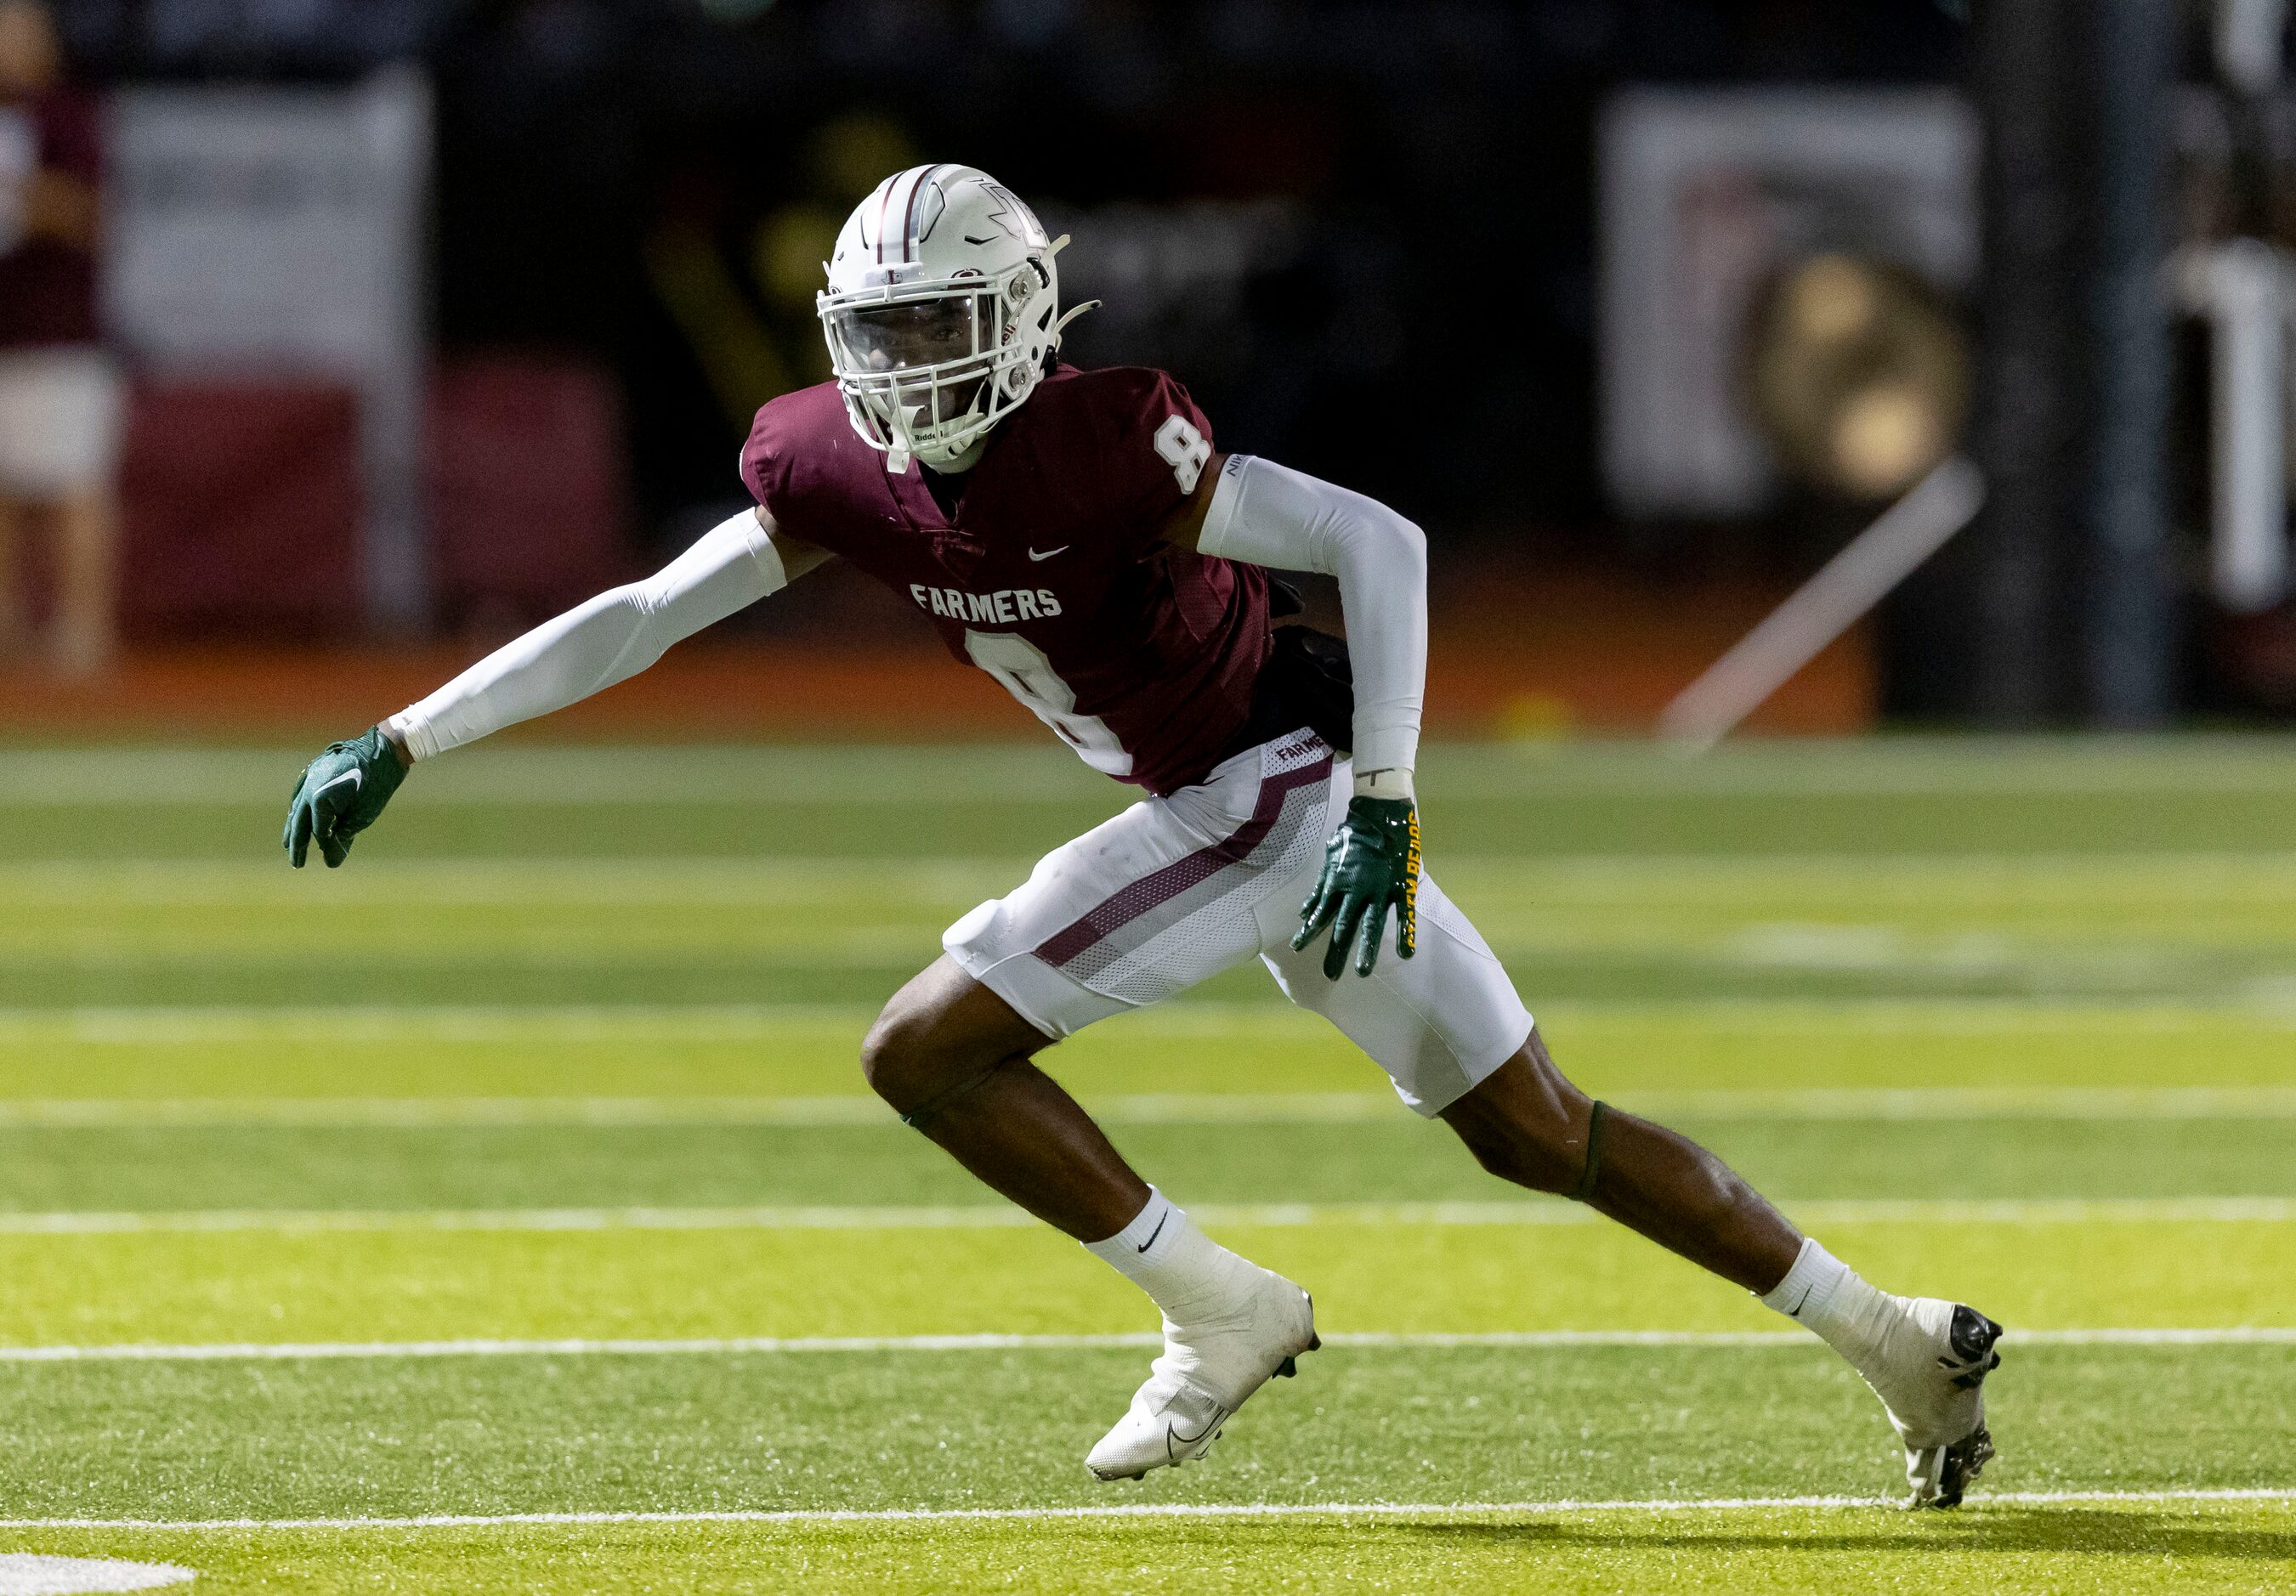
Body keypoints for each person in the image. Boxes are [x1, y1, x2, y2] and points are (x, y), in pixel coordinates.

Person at [284, 165, 2003, 1507]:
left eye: (937, 328)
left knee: (924, 1050)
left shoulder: (1110, 439)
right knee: (1538, 1133)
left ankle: (1216, 1303)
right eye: (875, 338)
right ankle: (1898, 1340)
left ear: (1026, 318)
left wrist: (1390, 804)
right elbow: (646, 612)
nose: (901, 371)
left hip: (1259, 789)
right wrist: (407, 733)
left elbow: (1378, 546)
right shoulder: (828, 468)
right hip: (1258, 801)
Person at [0, 0, 119, 676]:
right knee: (6, 497)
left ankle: (83, 627)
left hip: (61, 334)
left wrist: (28, 194)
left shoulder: (69, 117)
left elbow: (94, 214)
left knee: (74, 484)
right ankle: (9, 626)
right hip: (5, 330)